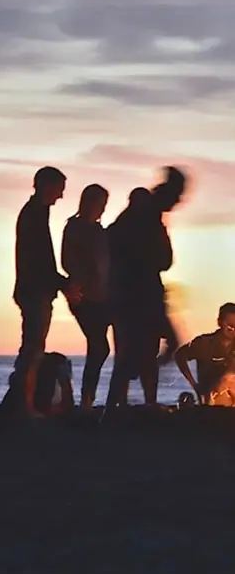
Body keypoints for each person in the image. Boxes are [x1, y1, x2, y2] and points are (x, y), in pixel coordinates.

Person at [0, 166, 81, 417]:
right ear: (48, 186)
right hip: (34, 290)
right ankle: (23, 406)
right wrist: (63, 283)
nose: (61, 196)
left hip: (34, 289)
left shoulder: (36, 213)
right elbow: (39, 261)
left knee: (33, 348)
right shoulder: (34, 214)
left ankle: (20, 404)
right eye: (59, 190)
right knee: (33, 349)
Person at [105, 168, 187, 410]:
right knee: (136, 354)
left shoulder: (140, 218)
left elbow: (162, 259)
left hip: (136, 294)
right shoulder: (146, 216)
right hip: (136, 295)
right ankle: (118, 407)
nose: (179, 202)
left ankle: (123, 406)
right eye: (177, 196)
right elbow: (162, 260)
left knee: (137, 354)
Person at [61, 184, 111, 409]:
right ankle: (86, 400)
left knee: (100, 346)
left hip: (104, 296)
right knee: (99, 346)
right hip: (84, 296)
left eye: (103, 205)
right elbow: (68, 260)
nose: (100, 209)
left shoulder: (100, 232)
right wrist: (78, 282)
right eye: (98, 204)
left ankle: (90, 399)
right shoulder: (74, 227)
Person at [174, 303, 235, 406]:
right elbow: (179, 355)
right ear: (220, 323)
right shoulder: (204, 343)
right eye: (230, 326)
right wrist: (193, 384)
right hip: (212, 399)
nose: (233, 330)